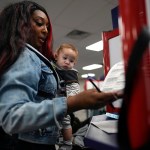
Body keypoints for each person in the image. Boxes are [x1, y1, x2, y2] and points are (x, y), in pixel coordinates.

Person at [0, 1, 123, 150]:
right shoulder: (26, 55)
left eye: (47, 26)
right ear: (20, 24)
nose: (45, 30)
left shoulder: (33, 58)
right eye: (39, 23)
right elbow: (11, 116)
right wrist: (74, 102)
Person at [53, 43, 80, 150]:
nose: (67, 62)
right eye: (64, 58)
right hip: (52, 102)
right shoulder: (52, 67)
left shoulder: (71, 73)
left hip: (64, 102)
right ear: (56, 56)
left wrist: (69, 100)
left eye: (71, 61)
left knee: (65, 122)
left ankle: (68, 143)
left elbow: (75, 89)